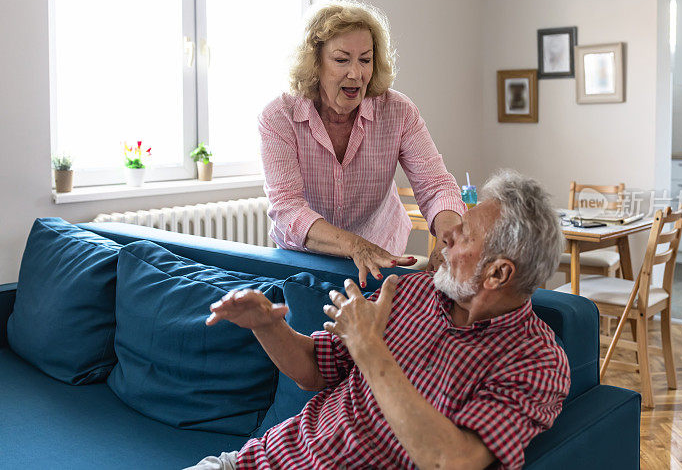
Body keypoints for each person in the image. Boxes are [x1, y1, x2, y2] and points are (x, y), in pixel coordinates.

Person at [191, 171, 571, 470]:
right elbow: (312, 370)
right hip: (254, 462)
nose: (446, 235)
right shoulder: (412, 292)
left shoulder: (536, 361)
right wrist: (266, 325)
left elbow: (451, 461)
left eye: (464, 235)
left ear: (498, 275)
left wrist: (369, 348)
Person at [260, 0, 465, 287]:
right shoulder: (279, 116)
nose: (356, 73)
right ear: (315, 63)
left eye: (365, 60)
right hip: (305, 258)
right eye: (342, 60)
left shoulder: (399, 111)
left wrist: (448, 242)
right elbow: (288, 209)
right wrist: (355, 246)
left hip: (380, 257)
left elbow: (436, 187)